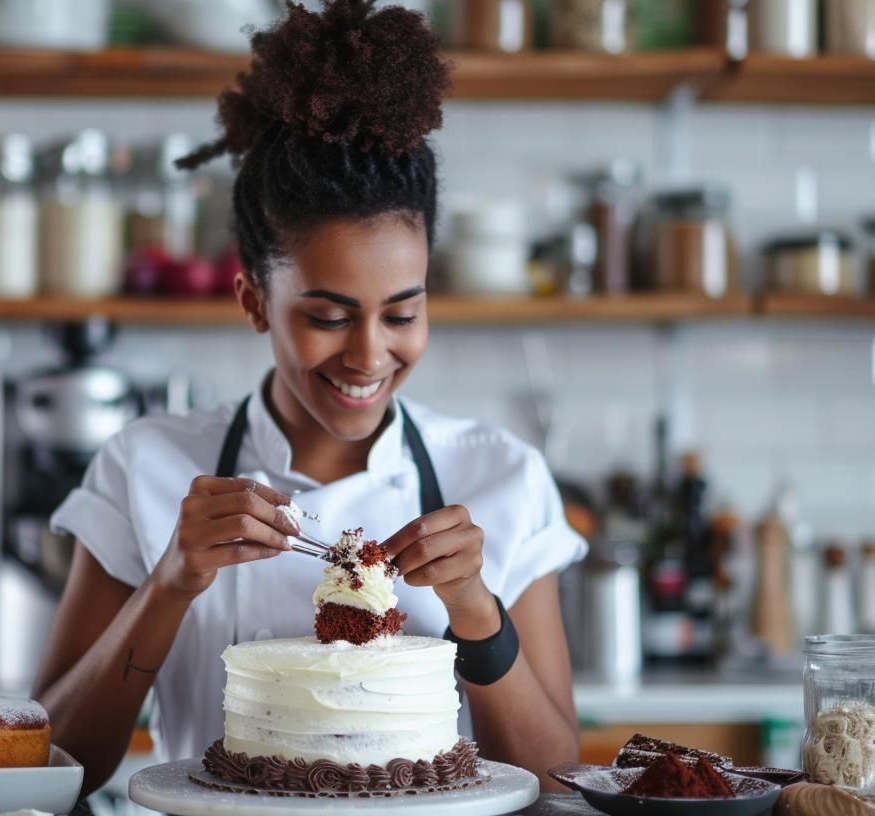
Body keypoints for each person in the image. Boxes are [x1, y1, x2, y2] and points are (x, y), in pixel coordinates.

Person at [33, 0, 585, 794]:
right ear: (254, 300)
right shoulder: (145, 467)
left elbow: (559, 783)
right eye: (327, 316)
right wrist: (170, 583)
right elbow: (56, 769)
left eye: (403, 312)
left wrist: (475, 606)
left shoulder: (502, 476)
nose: (369, 354)